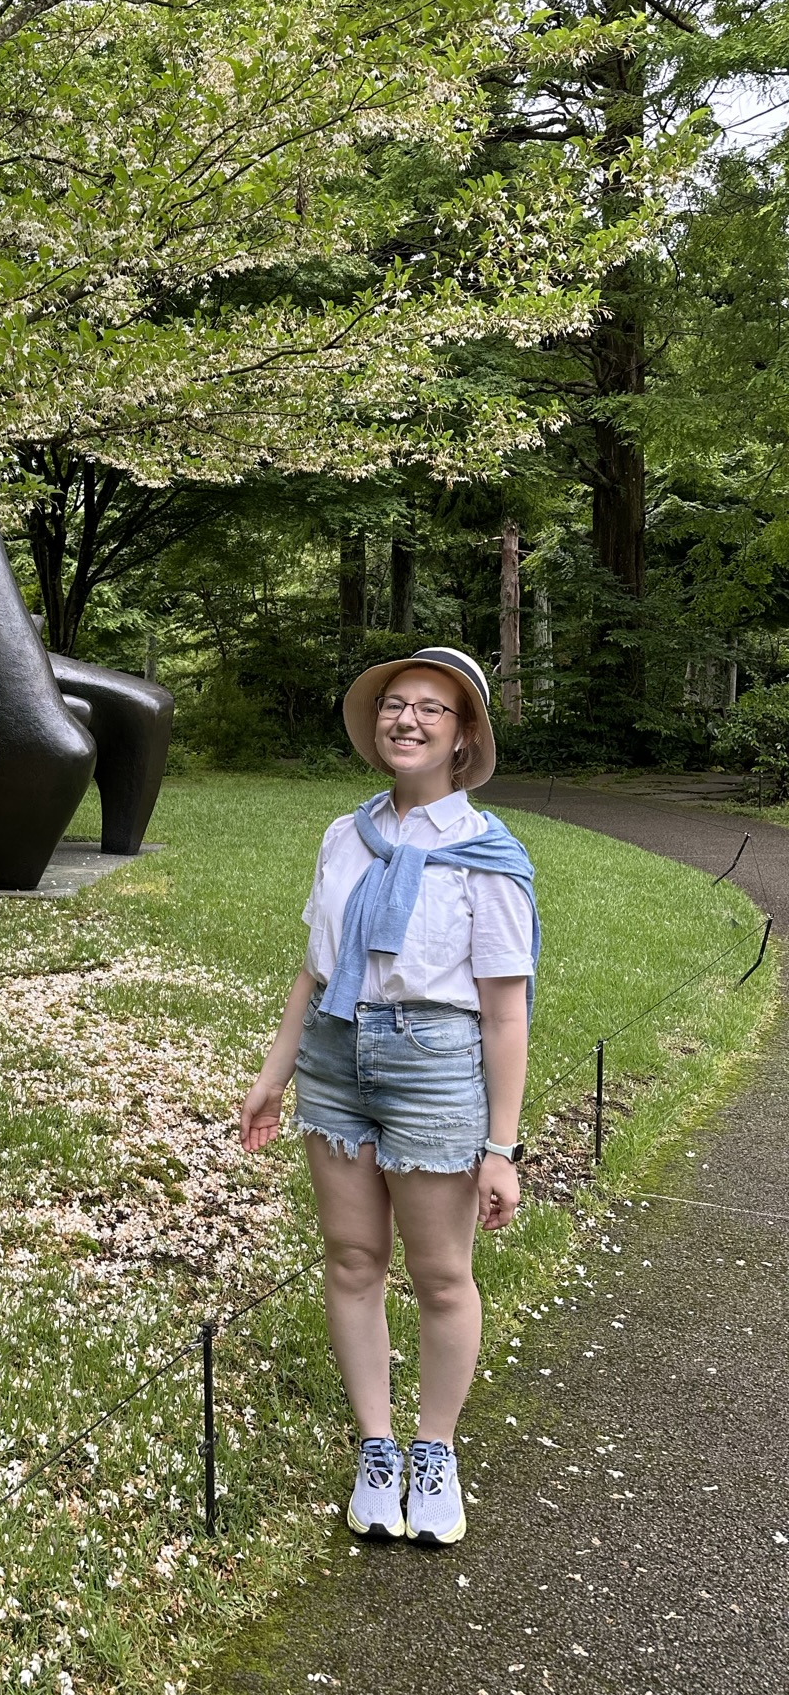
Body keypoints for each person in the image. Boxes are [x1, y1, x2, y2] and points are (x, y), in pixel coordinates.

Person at [240, 646, 538, 1548]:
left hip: (433, 1066)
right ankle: (377, 1447)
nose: (405, 720)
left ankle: (433, 1451)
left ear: (463, 737)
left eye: (430, 710)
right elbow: (314, 966)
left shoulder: (489, 855)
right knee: (353, 1262)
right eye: (393, 706)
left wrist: (502, 1147)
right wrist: (274, 1070)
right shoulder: (346, 835)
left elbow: (505, 1015)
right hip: (336, 1060)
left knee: (442, 1275)